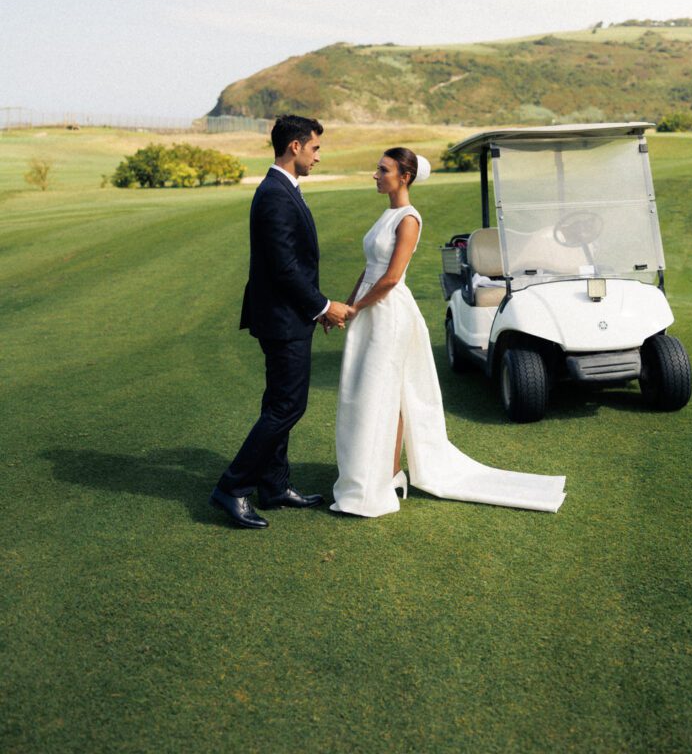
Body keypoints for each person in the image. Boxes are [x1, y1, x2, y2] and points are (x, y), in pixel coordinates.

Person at [330, 147, 566, 517]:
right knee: (372, 393)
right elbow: (371, 268)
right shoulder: (386, 214)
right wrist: (347, 305)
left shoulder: (409, 219)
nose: (375, 175)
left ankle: (385, 477)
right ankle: (386, 473)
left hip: (389, 313)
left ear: (404, 177)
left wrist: (357, 306)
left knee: (384, 392)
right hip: (368, 311)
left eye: (383, 170)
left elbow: (391, 278)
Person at [210, 114, 352, 529]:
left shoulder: (283, 189)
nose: (318, 157)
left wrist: (314, 308)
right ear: (295, 147)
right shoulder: (274, 194)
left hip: (289, 315)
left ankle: (273, 485)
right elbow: (285, 268)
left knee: (279, 403)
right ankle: (232, 487)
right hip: (280, 320)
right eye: (315, 148)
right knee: (288, 406)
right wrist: (324, 306)